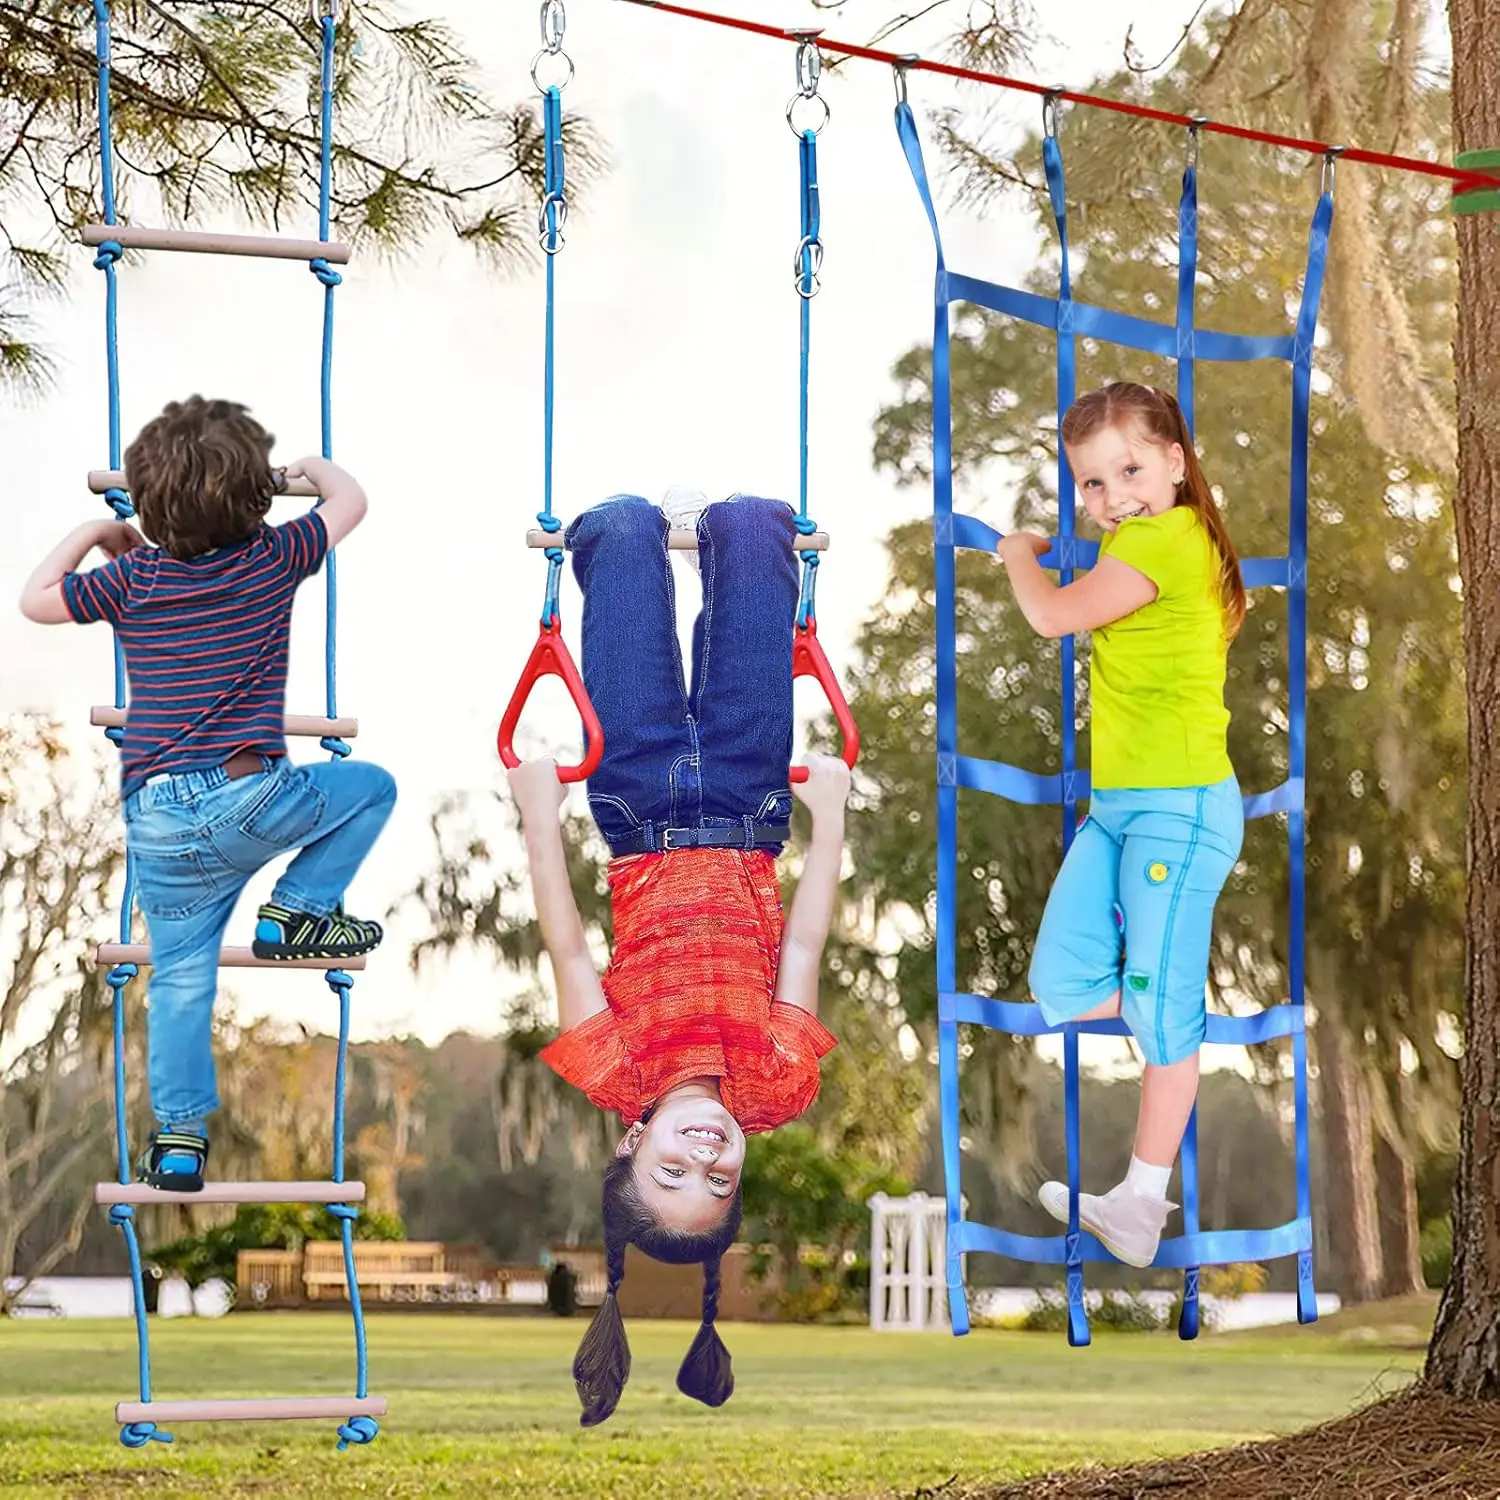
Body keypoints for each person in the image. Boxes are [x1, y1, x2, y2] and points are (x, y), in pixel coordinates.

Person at [506, 492, 851, 1426]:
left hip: (637, 805)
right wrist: (832, 829)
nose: (702, 1161)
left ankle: (624, 537)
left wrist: (538, 817)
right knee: (752, 526)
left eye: (671, 1174)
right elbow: (807, 941)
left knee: (619, 529)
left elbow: (567, 942)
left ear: (632, 1144)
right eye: (720, 1182)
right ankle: (736, 532)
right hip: (749, 802)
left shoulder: (612, 1068)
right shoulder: (776, 1083)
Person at [18, 396, 396, 1194]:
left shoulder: (131, 576)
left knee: (182, 981)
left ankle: (181, 1142)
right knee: (369, 788)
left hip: (156, 818)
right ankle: (298, 905)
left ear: (150, 506)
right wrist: (304, 472)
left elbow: (38, 598)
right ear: (259, 499)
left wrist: (99, 533)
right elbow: (350, 497)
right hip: (246, 798)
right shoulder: (276, 557)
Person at [994, 382, 1246, 1269]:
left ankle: (1141, 1202)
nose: (1113, 498)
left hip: (1180, 814)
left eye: (1130, 469)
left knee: (1162, 1012)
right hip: (1121, 811)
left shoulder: (1166, 538)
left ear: (1176, 463)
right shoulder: (1150, 539)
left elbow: (1050, 613)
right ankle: (1157, 993)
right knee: (1060, 980)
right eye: (1092, 484)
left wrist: (1018, 550)